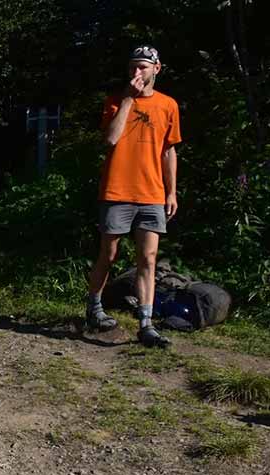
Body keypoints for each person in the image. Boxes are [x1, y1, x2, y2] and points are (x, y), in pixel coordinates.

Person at [85, 45, 181, 348]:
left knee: (148, 258)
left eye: (142, 67)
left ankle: (146, 323)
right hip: (117, 190)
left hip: (151, 193)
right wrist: (128, 99)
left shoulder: (168, 105)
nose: (137, 73)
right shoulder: (115, 101)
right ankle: (94, 308)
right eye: (132, 68)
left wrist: (171, 191)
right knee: (109, 254)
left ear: (157, 69)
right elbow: (111, 138)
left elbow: (169, 151)